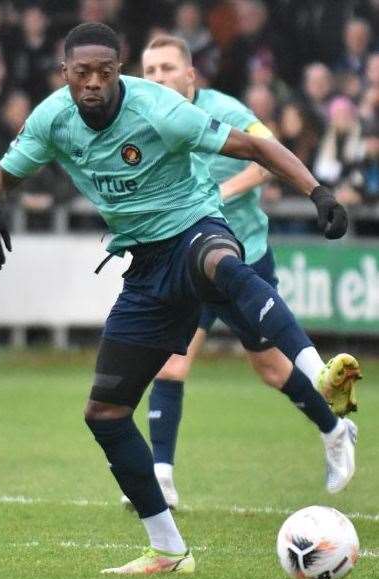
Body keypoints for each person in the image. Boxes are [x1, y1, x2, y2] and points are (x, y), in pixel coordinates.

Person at [0, 22, 359, 575]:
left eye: (106, 73)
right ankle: (169, 550)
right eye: (82, 74)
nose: (94, 84)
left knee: (223, 264)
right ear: (65, 74)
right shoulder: (52, 118)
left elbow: (254, 145)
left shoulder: (160, 110)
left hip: (195, 226)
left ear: (120, 70)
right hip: (145, 269)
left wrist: (317, 192)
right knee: (104, 413)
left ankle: (320, 372)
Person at [136, 35, 362, 509]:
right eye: (150, 70)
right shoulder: (142, 120)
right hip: (185, 257)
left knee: (271, 368)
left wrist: (219, 196)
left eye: (167, 68)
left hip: (243, 256)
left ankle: (336, 428)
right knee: (171, 362)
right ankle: (161, 478)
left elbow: (268, 154)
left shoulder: (227, 111)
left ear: (191, 75)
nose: (158, 78)